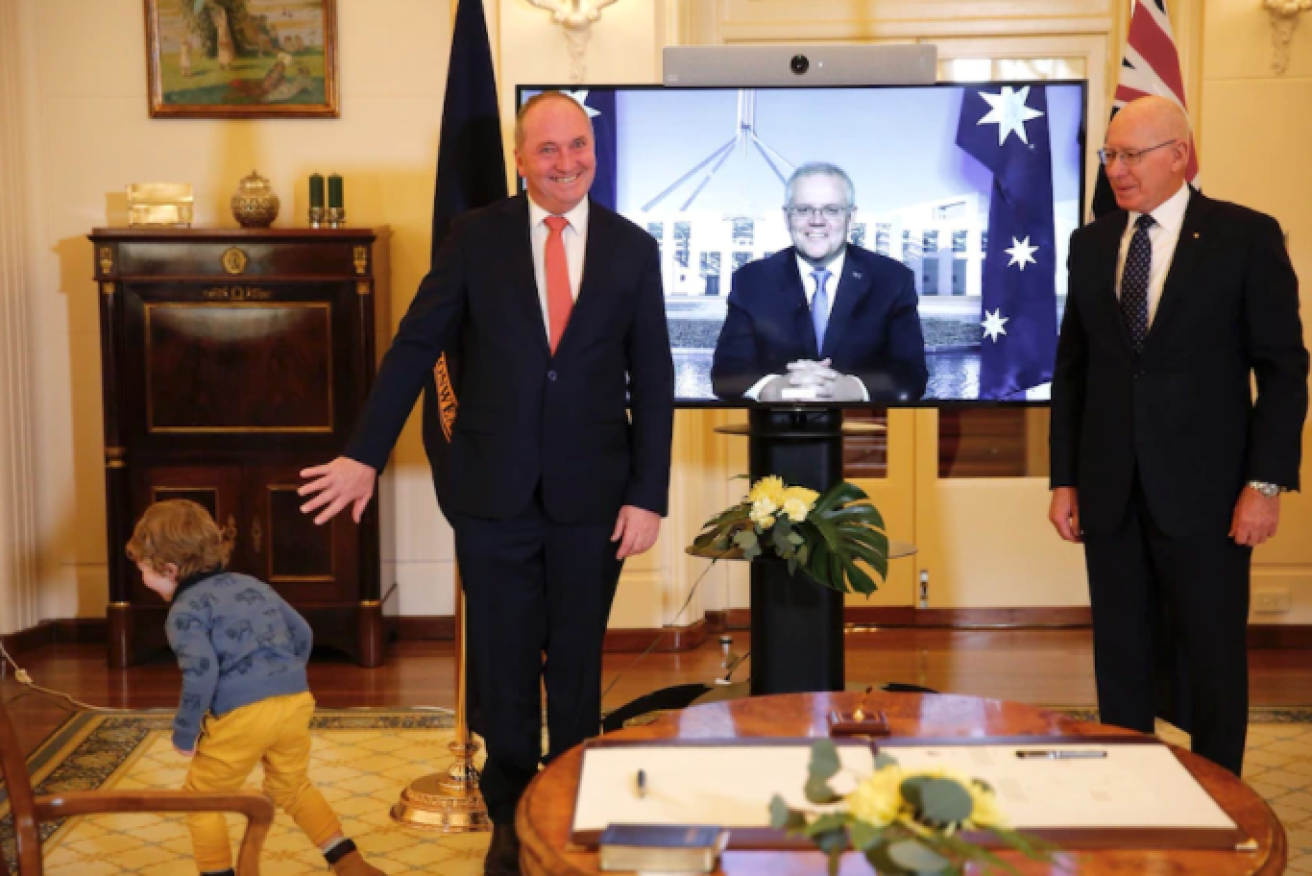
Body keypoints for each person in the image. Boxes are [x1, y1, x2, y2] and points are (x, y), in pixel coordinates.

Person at [297, 90, 674, 876]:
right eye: (548, 149)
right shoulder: (475, 238)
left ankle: (565, 811)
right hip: (492, 494)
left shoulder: (635, 249)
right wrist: (364, 452)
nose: (567, 162)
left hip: (594, 498)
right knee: (503, 668)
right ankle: (508, 822)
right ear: (519, 158)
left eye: (578, 146)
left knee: (574, 665)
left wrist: (649, 493)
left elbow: (656, 377)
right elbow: (414, 347)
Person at [1049, 95, 1308, 776]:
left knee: (1213, 655)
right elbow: (1071, 373)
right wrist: (1063, 478)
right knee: (1121, 655)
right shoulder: (1091, 242)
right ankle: (1129, 787)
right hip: (1109, 491)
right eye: (1109, 156)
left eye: (1130, 155)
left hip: (1213, 494)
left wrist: (1266, 483)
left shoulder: (1245, 237)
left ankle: (1222, 792)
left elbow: (1283, 372)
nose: (1116, 170)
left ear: (1179, 157)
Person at [125, 500, 385, 876]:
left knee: (204, 800)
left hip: (242, 715)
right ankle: (348, 861)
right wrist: (285, 675)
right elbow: (302, 632)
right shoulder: (251, 584)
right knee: (292, 786)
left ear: (170, 569)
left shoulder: (184, 612)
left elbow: (201, 673)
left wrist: (185, 733)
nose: (144, 580)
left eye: (144, 570)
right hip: (295, 701)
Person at [710, 162, 928, 403]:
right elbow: (725, 374)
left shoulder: (892, 280)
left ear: (851, 216)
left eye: (831, 210)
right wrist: (772, 388)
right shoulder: (751, 281)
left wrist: (852, 389)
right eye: (804, 210)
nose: (817, 221)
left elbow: (912, 375)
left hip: (863, 433)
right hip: (774, 433)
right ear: (787, 216)